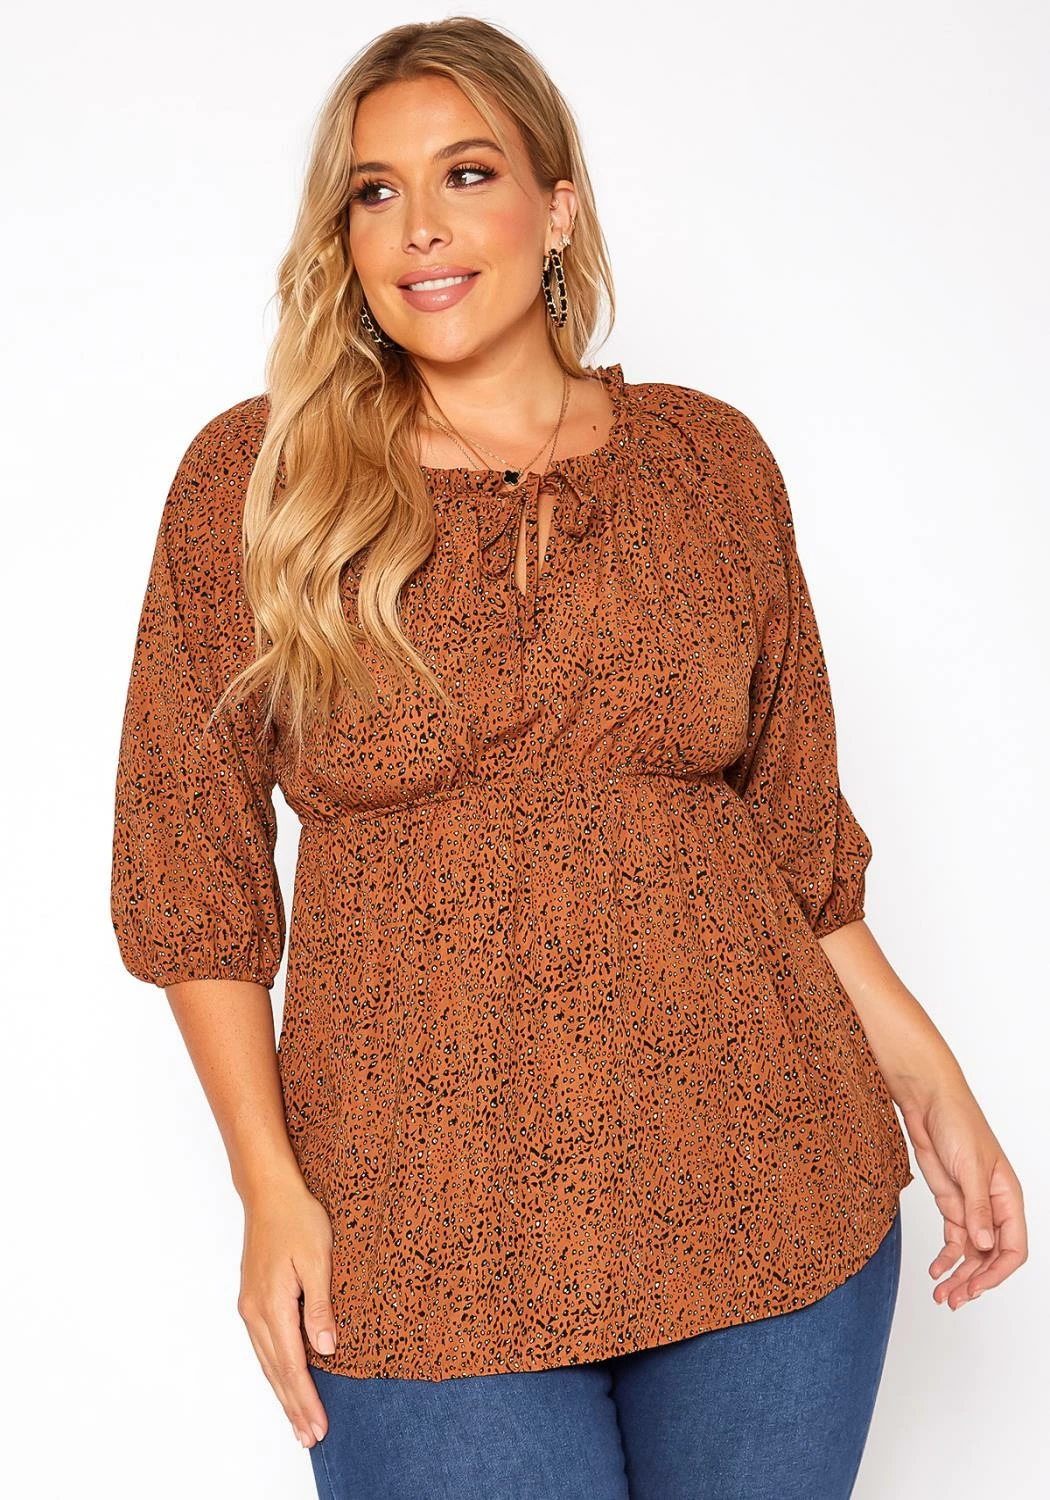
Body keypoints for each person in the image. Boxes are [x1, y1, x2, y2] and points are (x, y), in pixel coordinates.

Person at [109, 16, 1027, 1500]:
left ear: (556, 206)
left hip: (767, 1182)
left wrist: (932, 1079)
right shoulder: (259, 482)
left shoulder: (708, 463)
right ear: (343, 237)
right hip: (416, 1229)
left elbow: (793, 833)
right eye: (374, 192)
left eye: (465, 174)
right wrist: (267, 1187)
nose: (419, 227)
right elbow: (190, 869)